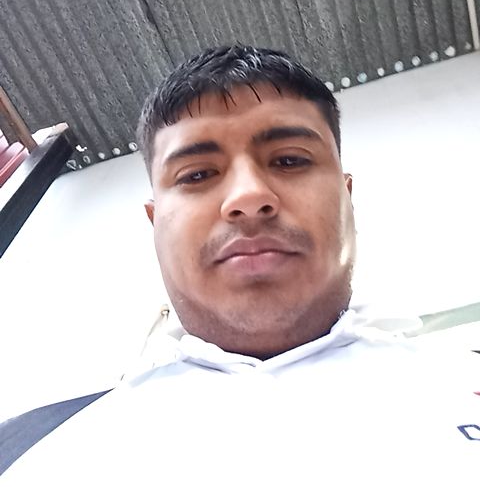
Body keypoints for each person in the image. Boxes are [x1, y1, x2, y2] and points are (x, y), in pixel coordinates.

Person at [0, 45, 478, 501]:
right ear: (155, 222)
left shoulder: (464, 379)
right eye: (196, 175)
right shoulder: (25, 452)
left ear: (346, 198)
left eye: (289, 160)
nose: (249, 197)